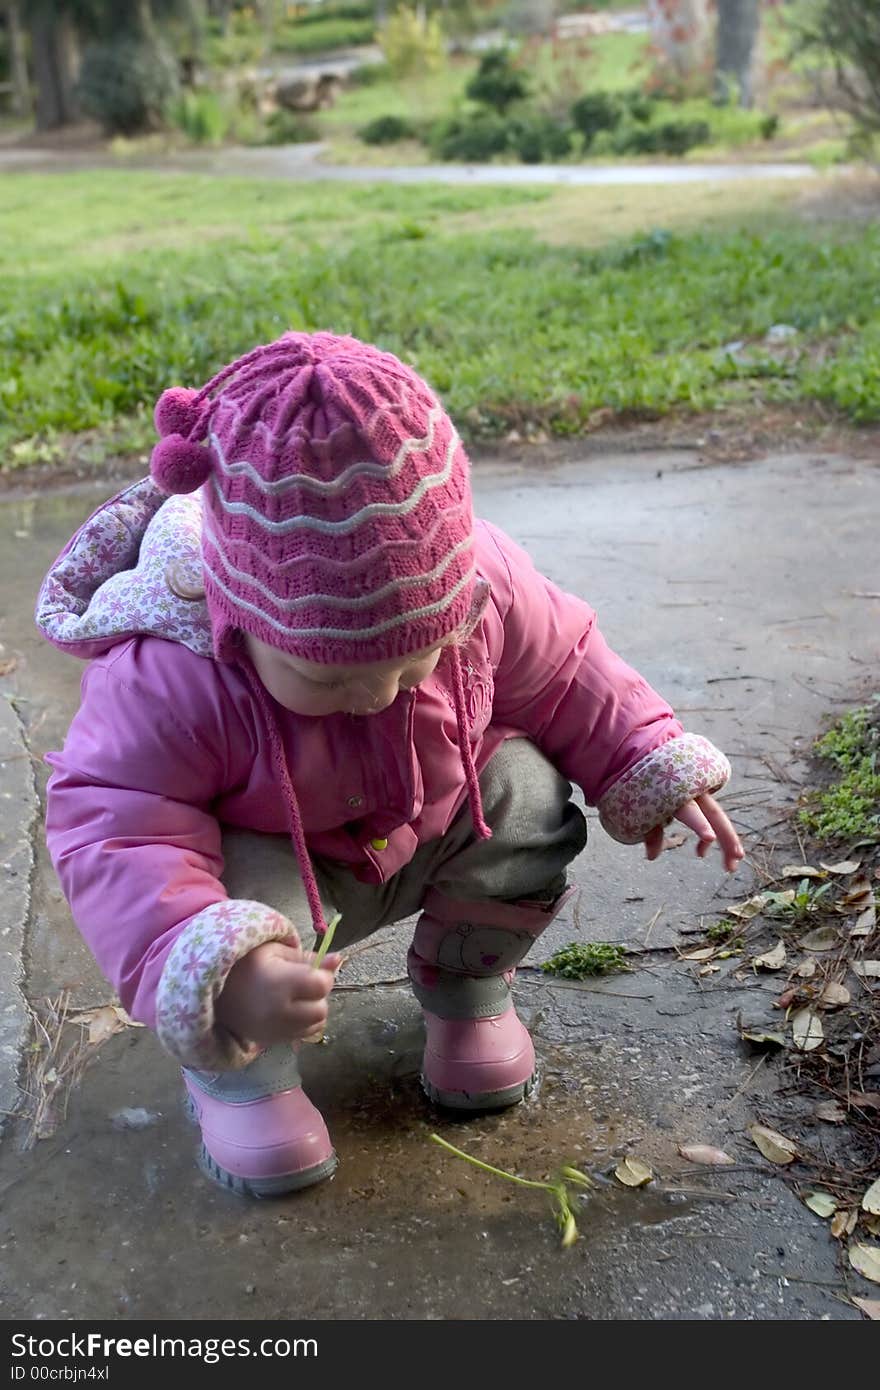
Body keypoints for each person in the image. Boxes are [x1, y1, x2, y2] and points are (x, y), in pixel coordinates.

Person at [36, 331, 742, 1199]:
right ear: (243, 621)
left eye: (418, 662)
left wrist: (649, 754)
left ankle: (465, 983)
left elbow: (568, 670)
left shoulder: (479, 583)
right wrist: (215, 969)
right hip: (279, 877)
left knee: (525, 794)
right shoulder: (171, 672)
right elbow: (116, 826)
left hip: (431, 823)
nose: (377, 695)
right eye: (326, 675)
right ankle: (243, 1072)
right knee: (228, 929)